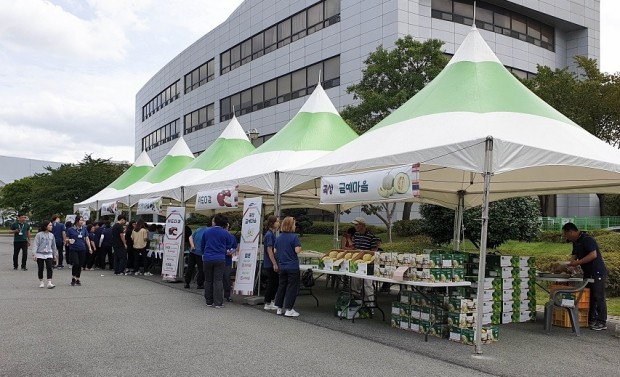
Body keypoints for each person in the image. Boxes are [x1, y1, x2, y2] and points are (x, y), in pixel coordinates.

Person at [562, 222, 608, 331]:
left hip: (597, 272)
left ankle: (602, 321)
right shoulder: (575, 242)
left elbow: (593, 255)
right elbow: (574, 257)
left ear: (571, 232)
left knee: (598, 296)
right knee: (589, 296)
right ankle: (591, 319)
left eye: (566, 234)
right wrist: (568, 265)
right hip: (587, 273)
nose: (565, 237)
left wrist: (577, 263)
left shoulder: (587, 239)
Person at [201, 214, 233, 308]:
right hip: (220, 258)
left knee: (208, 280)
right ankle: (218, 302)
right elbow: (229, 246)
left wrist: (206, 253)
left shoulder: (206, 231)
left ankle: (209, 301)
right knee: (218, 280)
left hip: (207, 258)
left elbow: (203, 245)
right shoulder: (225, 233)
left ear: (215, 221)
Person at [273, 216, 302, 317]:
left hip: (282, 265)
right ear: (291, 225)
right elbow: (297, 250)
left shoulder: (279, 237)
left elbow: (275, 251)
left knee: (282, 286)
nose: (295, 225)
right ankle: (289, 309)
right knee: (291, 288)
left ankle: (279, 307)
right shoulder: (294, 237)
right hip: (292, 266)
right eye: (294, 224)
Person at [351, 217, 380, 301]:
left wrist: (363, 252)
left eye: (357, 225)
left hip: (368, 264)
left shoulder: (371, 236)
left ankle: (370, 304)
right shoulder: (356, 235)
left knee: (367, 284)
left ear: (362, 225)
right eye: (355, 225)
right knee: (354, 281)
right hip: (357, 262)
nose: (355, 226)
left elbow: (374, 252)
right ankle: (357, 300)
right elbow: (354, 248)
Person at [66, 215, 92, 286]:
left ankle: (78, 278)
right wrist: (69, 240)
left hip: (82, 248)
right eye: (81, 220)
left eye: (83, 220)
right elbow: (66, 239)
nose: (82, 222)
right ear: (77, 221)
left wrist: (89, 248)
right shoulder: (71, 229)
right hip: (73, 249)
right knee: (76, 263)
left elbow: (87, 238)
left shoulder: (84, 229)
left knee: (80, 264)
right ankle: (73, 278)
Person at [31, 220, 58, 288]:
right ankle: (41, 281)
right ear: (45, 226)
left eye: (51, 225)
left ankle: (49, 282)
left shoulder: (52, 235)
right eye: (50, 225)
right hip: (40, 253)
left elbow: (53, 245)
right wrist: (34, 254)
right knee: (41, 268)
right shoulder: (39, 235)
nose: (51, 226)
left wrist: (55, 254)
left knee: (49, 267)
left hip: (49, 253)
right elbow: (35, 245)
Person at [262, 215, 280, 310]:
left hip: (271, 263)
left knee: (274, 283)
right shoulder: (269, 235)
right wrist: (274, 263)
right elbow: (270, 250)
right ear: (272, 223)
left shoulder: (271, 234)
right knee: (272, 283)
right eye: (277, 221)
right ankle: (268, 302)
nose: (278, 223)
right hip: (270, 263)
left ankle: (270, 301)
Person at [185, 224, 206, 289]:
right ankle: (200, 284)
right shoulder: (209, 232)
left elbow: (190, 237)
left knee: (190, 267)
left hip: (192, 251)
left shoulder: (199, 229)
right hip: (201, 253)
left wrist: (192, 245)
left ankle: (187, 283)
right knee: (201, 269)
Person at [224, 224, 237, 303]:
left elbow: (235, 247)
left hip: (227, 260)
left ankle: (227, 295)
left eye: (228, 226)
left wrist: (232, 251)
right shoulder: (219, 235)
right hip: (220, 258)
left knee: (227, 278)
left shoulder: (232, 237)